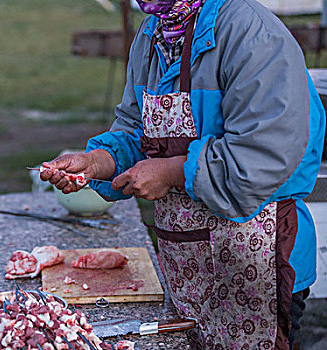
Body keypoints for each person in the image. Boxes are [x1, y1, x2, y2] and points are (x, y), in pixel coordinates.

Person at [40, 0, 326, 348]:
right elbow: (138, 129)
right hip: (189, 271)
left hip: (259, 263)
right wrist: (98, 161)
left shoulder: (251, 32)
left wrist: (172, 171)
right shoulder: (154, 33)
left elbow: (262, 155)